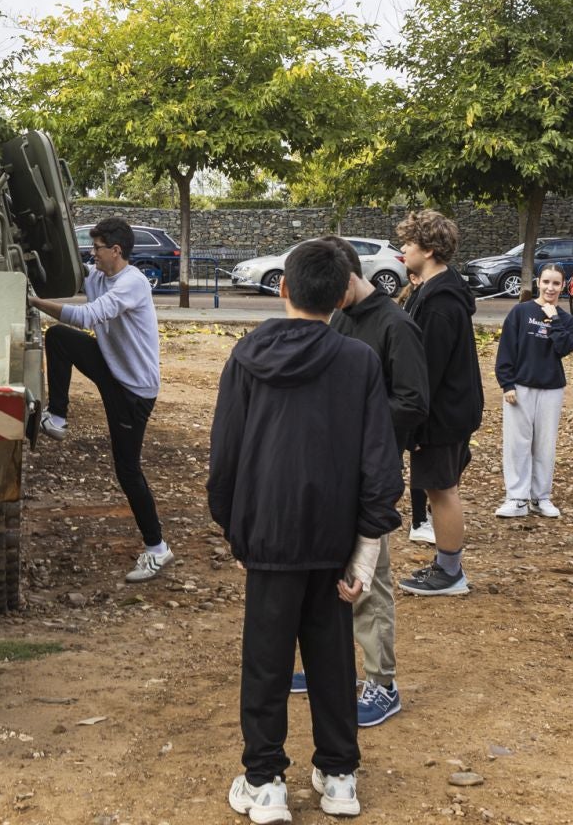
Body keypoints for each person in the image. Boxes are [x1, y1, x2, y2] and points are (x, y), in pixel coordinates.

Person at [210, 240, 402, 821]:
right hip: (333, 534)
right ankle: (339, 775)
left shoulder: (247, 355)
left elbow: (226, 453)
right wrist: (365, 548)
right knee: (332, 656)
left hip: (269, 530)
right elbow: (380, 462)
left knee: (266, 660)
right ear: (342, 294)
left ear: (283, 287)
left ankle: (264, 780)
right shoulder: (358, 361)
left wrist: (236, 529)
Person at [305, 235, 429, 727]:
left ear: (351, 277)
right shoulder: (341, 316)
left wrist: (356, 418)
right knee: (327, 569)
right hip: (332, 466)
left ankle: (382, 682)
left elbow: (413, 401)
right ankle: (332, 664)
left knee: (369, 575)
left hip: (370, 471)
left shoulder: (396, 325)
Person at [30, 216, 171, 582]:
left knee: (127, 469)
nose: (93, 254)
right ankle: (57, 418)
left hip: (133, 390)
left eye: (97, 248)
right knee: (58, 338)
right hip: (112, 368)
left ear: (116, 250)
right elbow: (68, 275)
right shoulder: (98, 276)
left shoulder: (132, 283)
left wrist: (33, 302)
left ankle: (157, 549)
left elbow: (87, 316)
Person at [394, 210, 483, 597]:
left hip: (443, 416)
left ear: (428, 250)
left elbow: (426, 369)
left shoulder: (440, 302)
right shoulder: (434, 291)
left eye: (409, 242)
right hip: (446, 412)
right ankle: (447, 566)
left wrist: (410, 425)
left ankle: (450, 573)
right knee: (438, 488)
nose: (403, 248)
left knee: (441, 490)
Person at [494, 264, 573, 519]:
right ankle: (516, 497)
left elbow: (565, 347)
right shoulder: (521, 312)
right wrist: (507, 383)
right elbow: (507, 348)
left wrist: (554, 319)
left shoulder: (566, 319)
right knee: (517, 443)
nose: (550, 288)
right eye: (546, 282)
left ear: (562, 286)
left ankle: (540, 497)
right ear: (538, 283)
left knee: (545, 444)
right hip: (520, 385)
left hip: (551, 387)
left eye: (556, 283)